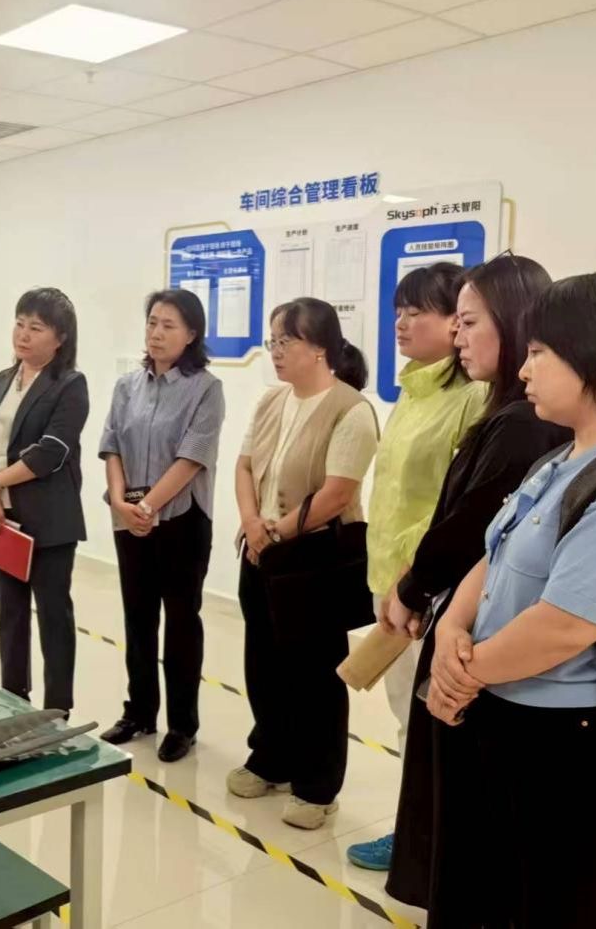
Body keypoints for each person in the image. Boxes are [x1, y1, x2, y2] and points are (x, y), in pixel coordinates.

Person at [418, 273, 596, 927]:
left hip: (572, 734)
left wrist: (458, 675)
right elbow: (494, 554)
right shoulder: (558, 461)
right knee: (499, 886)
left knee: (566, 897)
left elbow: (565, 626)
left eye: (540, 352)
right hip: (505, 706)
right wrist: (451, 631)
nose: (524, 369)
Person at [385, 253, 570, 905]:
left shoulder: (524, 424)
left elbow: (474, 528)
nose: (457, 336)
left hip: (483, 634)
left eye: (468, 322)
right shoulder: (503, 413)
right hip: (455, 612)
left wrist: (416, 588)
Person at [345, 264, 487, 871]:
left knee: (432, 724)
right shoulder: (412, 390)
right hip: (392, 583)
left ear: (456, 321)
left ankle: (427, 845)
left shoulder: (473, 397)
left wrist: (412, 582)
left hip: (428, 589)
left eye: (417, 312)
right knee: (408, 717)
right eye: (398, 312)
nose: (401, 323)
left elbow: (455, 509)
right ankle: (418, 835)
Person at [229, 297, 377, 829]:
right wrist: (252, 523)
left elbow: (338, 494)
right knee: (263, 664)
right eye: (272, 341)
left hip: (312, 559)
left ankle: (317, 786)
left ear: (319, 348)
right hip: (259, 552)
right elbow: (244, 466)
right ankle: (271, 757)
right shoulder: (272, 400)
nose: (276, 351)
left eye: (286, 341)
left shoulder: (351, 409)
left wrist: (275, 532)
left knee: (314, 675)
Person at [98, 289, 224, 764]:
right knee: (138, 618)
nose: (156, 333)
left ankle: (183, 724)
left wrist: (147, 506)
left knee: (182, 622)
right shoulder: (127, 385)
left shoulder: (206, 389)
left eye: (169, 325)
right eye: (152, 322)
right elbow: (112, 446)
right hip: (129, 519)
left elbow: (192, 458)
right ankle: (139, 712)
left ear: (191, 334)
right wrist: (119, 502)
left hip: (181, 521)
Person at [0, 288, 87, 715]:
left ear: (60, 338)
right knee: (10, 614)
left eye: (36, 327)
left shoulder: (69, 384)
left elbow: (51, 451)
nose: (23, 334)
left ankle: (58, 710)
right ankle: (14, 700)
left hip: (49, 521)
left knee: (53, 616)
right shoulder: (1, 380)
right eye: (20, 324)